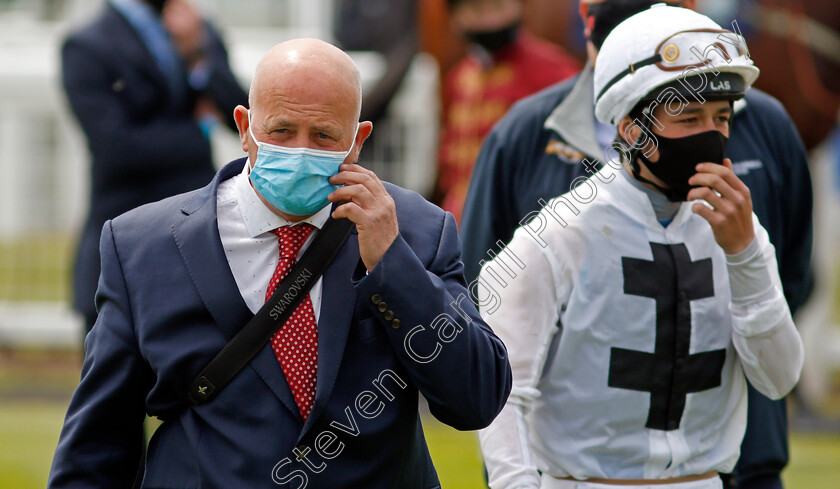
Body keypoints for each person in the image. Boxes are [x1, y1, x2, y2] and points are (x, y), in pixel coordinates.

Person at [48, 38, 511, 488]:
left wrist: (394, 265)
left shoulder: (417, 231)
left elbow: (475, 398)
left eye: (324, 135)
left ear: (358, 140)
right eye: (282, 131)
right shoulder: (142, 246)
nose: (299, 151)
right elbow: (97, 445)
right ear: (245, 126)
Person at [460, 1, 813, 487]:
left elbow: (778, 379)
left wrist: (746, 254)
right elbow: (504, 390)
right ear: (630, 129)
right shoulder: (556, 235)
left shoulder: (742, 230)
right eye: (688, 118)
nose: (711, 136)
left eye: (722, 118)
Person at [62, 0, 248, 334]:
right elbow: (117, 148)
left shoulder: (196, 29)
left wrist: (195, 54)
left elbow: (243, 115)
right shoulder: (87, 45)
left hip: (197, 237)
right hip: (124, 236)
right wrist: (198, 134)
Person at [435, 0, 579, 222]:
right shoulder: (458, 77)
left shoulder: (555, 72)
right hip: (460, 221)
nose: (489, 20)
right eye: (476, 9)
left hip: (525, 219)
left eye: (497, 7)